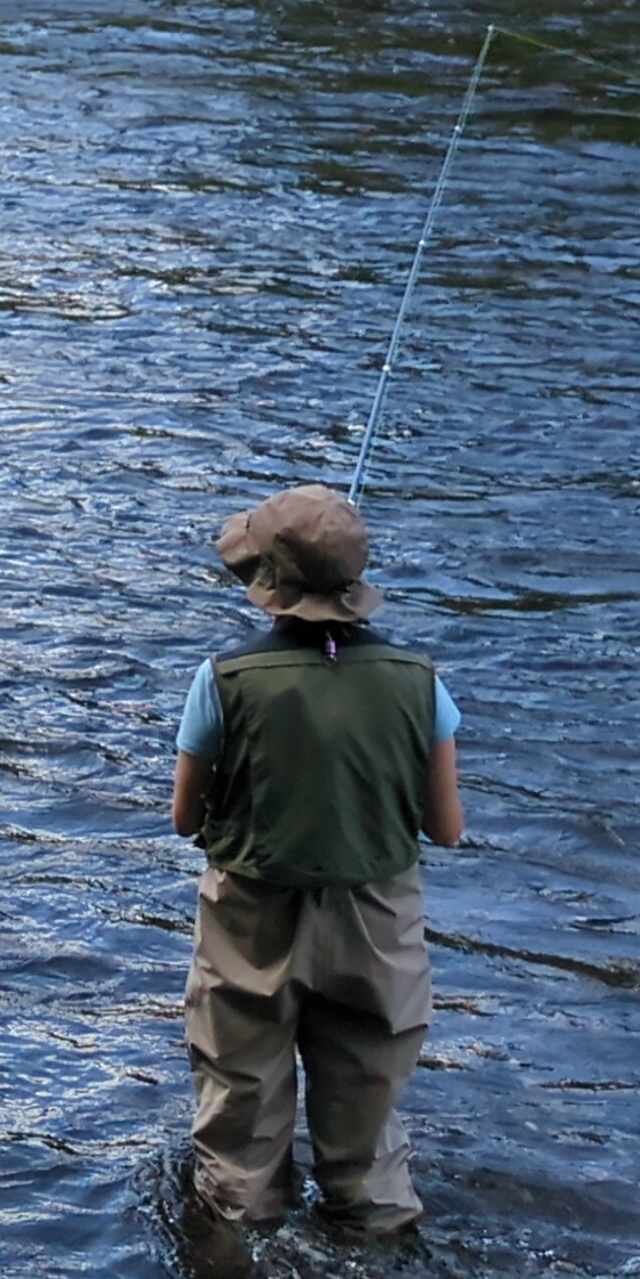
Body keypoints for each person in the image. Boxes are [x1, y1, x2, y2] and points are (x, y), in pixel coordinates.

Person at [168, 485, 465, 1234]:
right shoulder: (421, 681)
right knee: (367, 1136)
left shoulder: (222, 679)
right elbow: (448, 828)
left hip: (251, 919)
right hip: (377, 919)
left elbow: (182, 819)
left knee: (240, 1129)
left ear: (268, 582)